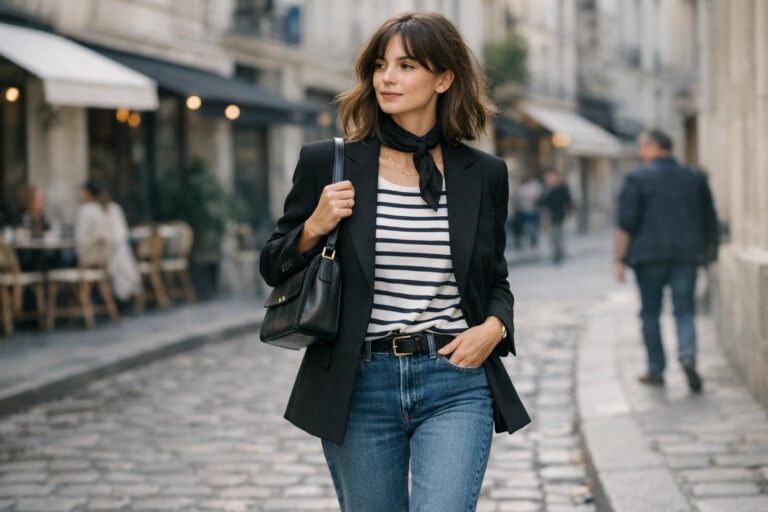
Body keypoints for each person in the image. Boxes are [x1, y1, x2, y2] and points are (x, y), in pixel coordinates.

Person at [259, 12, 530, 511]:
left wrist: (495, 326)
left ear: (443, 79)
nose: (387, 77)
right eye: (381, 65)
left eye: (406, 66)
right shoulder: (329, 161)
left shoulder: (484, 174)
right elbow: (273, 265)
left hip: (455, 379)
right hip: (358, 383)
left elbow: (496, 279)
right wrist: (315, 225)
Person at [614, 129, 719, 393]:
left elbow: (626, 223)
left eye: (641, 147)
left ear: (653, 147)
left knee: (650, 313)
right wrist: (710, 252)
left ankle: (656, 369)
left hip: (648, 258)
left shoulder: (637, 178)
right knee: (684, 310)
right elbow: (710, 218)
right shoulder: (694, 176)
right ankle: (687, 355)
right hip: (686, 256)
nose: (639, 152)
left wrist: (618, 259)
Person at [76, 181, 141, 302]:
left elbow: (80, 239)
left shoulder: (87, 210)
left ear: (88, 193)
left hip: (90, 261)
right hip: (108, 258)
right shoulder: (111, 208)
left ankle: (82, 300)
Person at [542, 169, 573, 264]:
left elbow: (568, 201)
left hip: (560, 215)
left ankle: (559, 255)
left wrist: (568, 211)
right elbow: (544, 202)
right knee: (553, 237)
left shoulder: (562, 189)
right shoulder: (549, 190)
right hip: (551, 216)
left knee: (558, 236)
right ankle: (556, 254)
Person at [517, 175, 543, 248]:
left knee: (532, 225)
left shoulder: (534, 186)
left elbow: (537, 195)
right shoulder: (523, 188)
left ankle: (533, 239)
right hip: (526, 210)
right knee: (529, 226)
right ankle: (532, 238)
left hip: (532, 209)